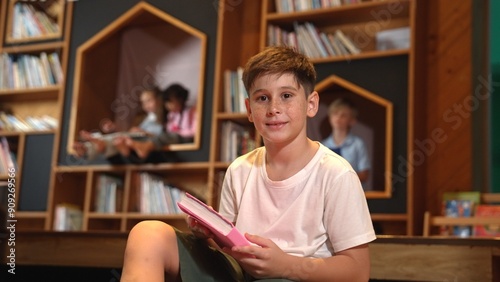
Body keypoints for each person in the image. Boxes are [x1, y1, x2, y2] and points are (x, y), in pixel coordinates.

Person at [120, 46, 376, 282]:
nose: (274, 108)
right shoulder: (239, 169)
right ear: (249, 109)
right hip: (240, 274)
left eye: (286, 95)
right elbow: (229, 250)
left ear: (311, 104)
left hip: (295, 277)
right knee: (147, 234)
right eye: (262, 98)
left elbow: (358, 271)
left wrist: (286, 266)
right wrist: (209, 234)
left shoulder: (337, 173)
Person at [72, 87, 164, 162]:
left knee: (114, 141)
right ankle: (91, 145)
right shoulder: (143, 118)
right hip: (132, 140)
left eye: (149, 101)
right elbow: (129, 133)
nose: (146, 105)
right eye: (143, 102)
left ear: (159, 100)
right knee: (116, 138)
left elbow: (161, 137)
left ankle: (92, 146)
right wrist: (115, 128)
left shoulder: (163, 117)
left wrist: (143, 132)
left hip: (144, 142)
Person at [119, 83, 197, 160]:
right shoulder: (171, 115)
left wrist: (178, 132)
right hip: (167, 136)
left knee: (163, 137)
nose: (168, 105)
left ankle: (144, 147)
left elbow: (192, 132)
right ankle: (126, 148)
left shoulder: (189, 112)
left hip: (180, 137)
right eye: (143, 102)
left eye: (149, 100)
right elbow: (169, 129)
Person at [321, 97, 371, 183]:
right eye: (335, 113)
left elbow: (364, 174)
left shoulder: (357, 144)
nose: (338, 117)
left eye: (343, 115)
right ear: (330, 117)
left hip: (351, 192)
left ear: (352, 120)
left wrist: (343, 179)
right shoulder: (323, 146)